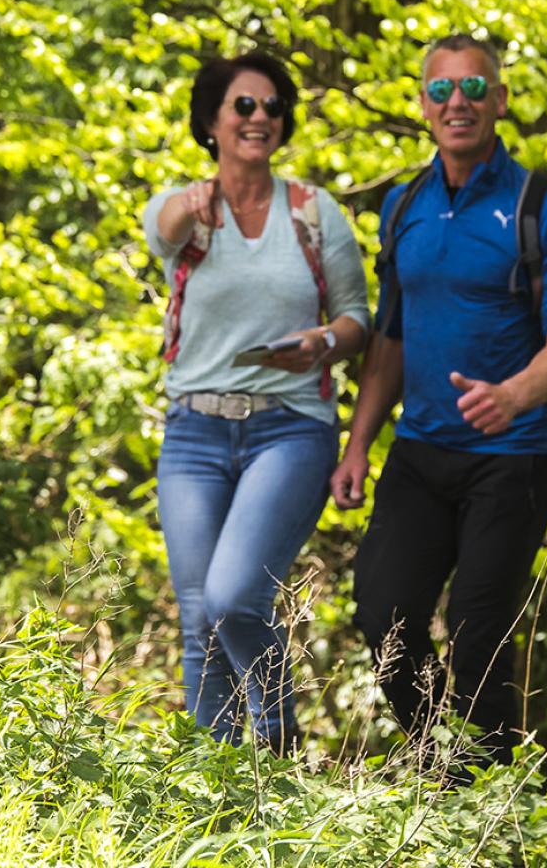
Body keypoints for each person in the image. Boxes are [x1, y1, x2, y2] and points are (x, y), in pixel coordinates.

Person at [330, 33, 547, 770]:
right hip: (421, 451)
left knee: (478, 635)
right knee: (382, 615)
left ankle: (485, 801)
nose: (458, 102)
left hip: (516, 455)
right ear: (423, 104)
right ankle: (443, 767)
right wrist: (357, 445)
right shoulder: (402, 207)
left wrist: (512, 395)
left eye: (474, 88)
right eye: (442, 89)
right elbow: (389, 339)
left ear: (499, 101)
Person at [143, 51, 370, 753]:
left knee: (232, 598)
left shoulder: (313, 212)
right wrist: (191, 204)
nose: (260, 117)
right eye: (243, 105)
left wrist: (322, 342)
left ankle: (275, 738)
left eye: (272, 107)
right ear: (211, 121)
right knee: (198, 621)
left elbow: (358, 320)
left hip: (289, 430)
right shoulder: (183, 209)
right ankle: (212, 785)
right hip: (194, 434)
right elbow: (163, 231)